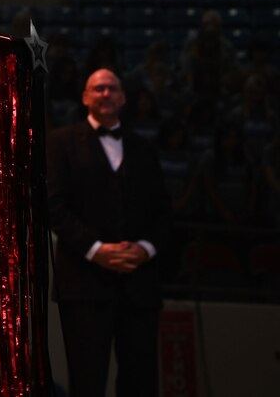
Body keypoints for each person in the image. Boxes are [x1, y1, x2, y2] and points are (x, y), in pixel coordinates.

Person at [47, 68, 172, 397]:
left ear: (123, 97)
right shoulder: (60, 142)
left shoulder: (144, 148)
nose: (105, 94)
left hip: (139, 282)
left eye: (112, 88)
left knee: (141, 380)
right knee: (87, 380)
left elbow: (163, 212)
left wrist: (145, 248)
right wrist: (96, 249)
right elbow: (52, 206)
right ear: (85, 97)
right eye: (98, 88)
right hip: (84, 281)